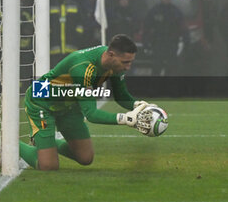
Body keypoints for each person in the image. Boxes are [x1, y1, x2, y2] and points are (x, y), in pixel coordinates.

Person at [19, 34, 154, 170]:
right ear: (111, 54)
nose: (128, 67)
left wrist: (139, 105)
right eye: (125, 62)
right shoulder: (83, 68)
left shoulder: (114, 63)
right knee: (49, 166)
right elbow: (91, 114)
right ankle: (10, 145)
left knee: (85, 158)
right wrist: (124, 118)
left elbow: (121, 96)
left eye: (130, 62)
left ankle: (44, 143)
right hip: (42, 103)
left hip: (69, 105)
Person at [143, 0, 187, 76]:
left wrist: (186, 41)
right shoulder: (154, 11)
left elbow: (182, 27)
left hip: (172, 44)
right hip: (158, 43)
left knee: (171, 68)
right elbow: (147, 27)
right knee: (156, 67)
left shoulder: (176, 12)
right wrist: (146, 42)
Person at [50, 0, 84, 68]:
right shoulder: (50, 6)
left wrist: (78, 34)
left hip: (71, 45)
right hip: (55, 47)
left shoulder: (75, 5)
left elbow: (81, 21)